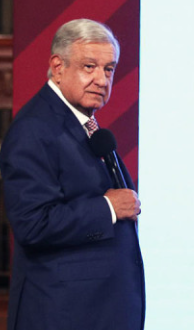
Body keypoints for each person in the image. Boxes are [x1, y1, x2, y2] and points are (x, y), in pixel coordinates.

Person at [0, 19, 145, 330]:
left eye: (109, 69)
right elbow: (33, 225)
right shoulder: (34, 129)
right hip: (62, 316)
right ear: (58, 67)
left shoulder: (81, 122)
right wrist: (107, 208)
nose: (101, 79)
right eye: (89, 66)